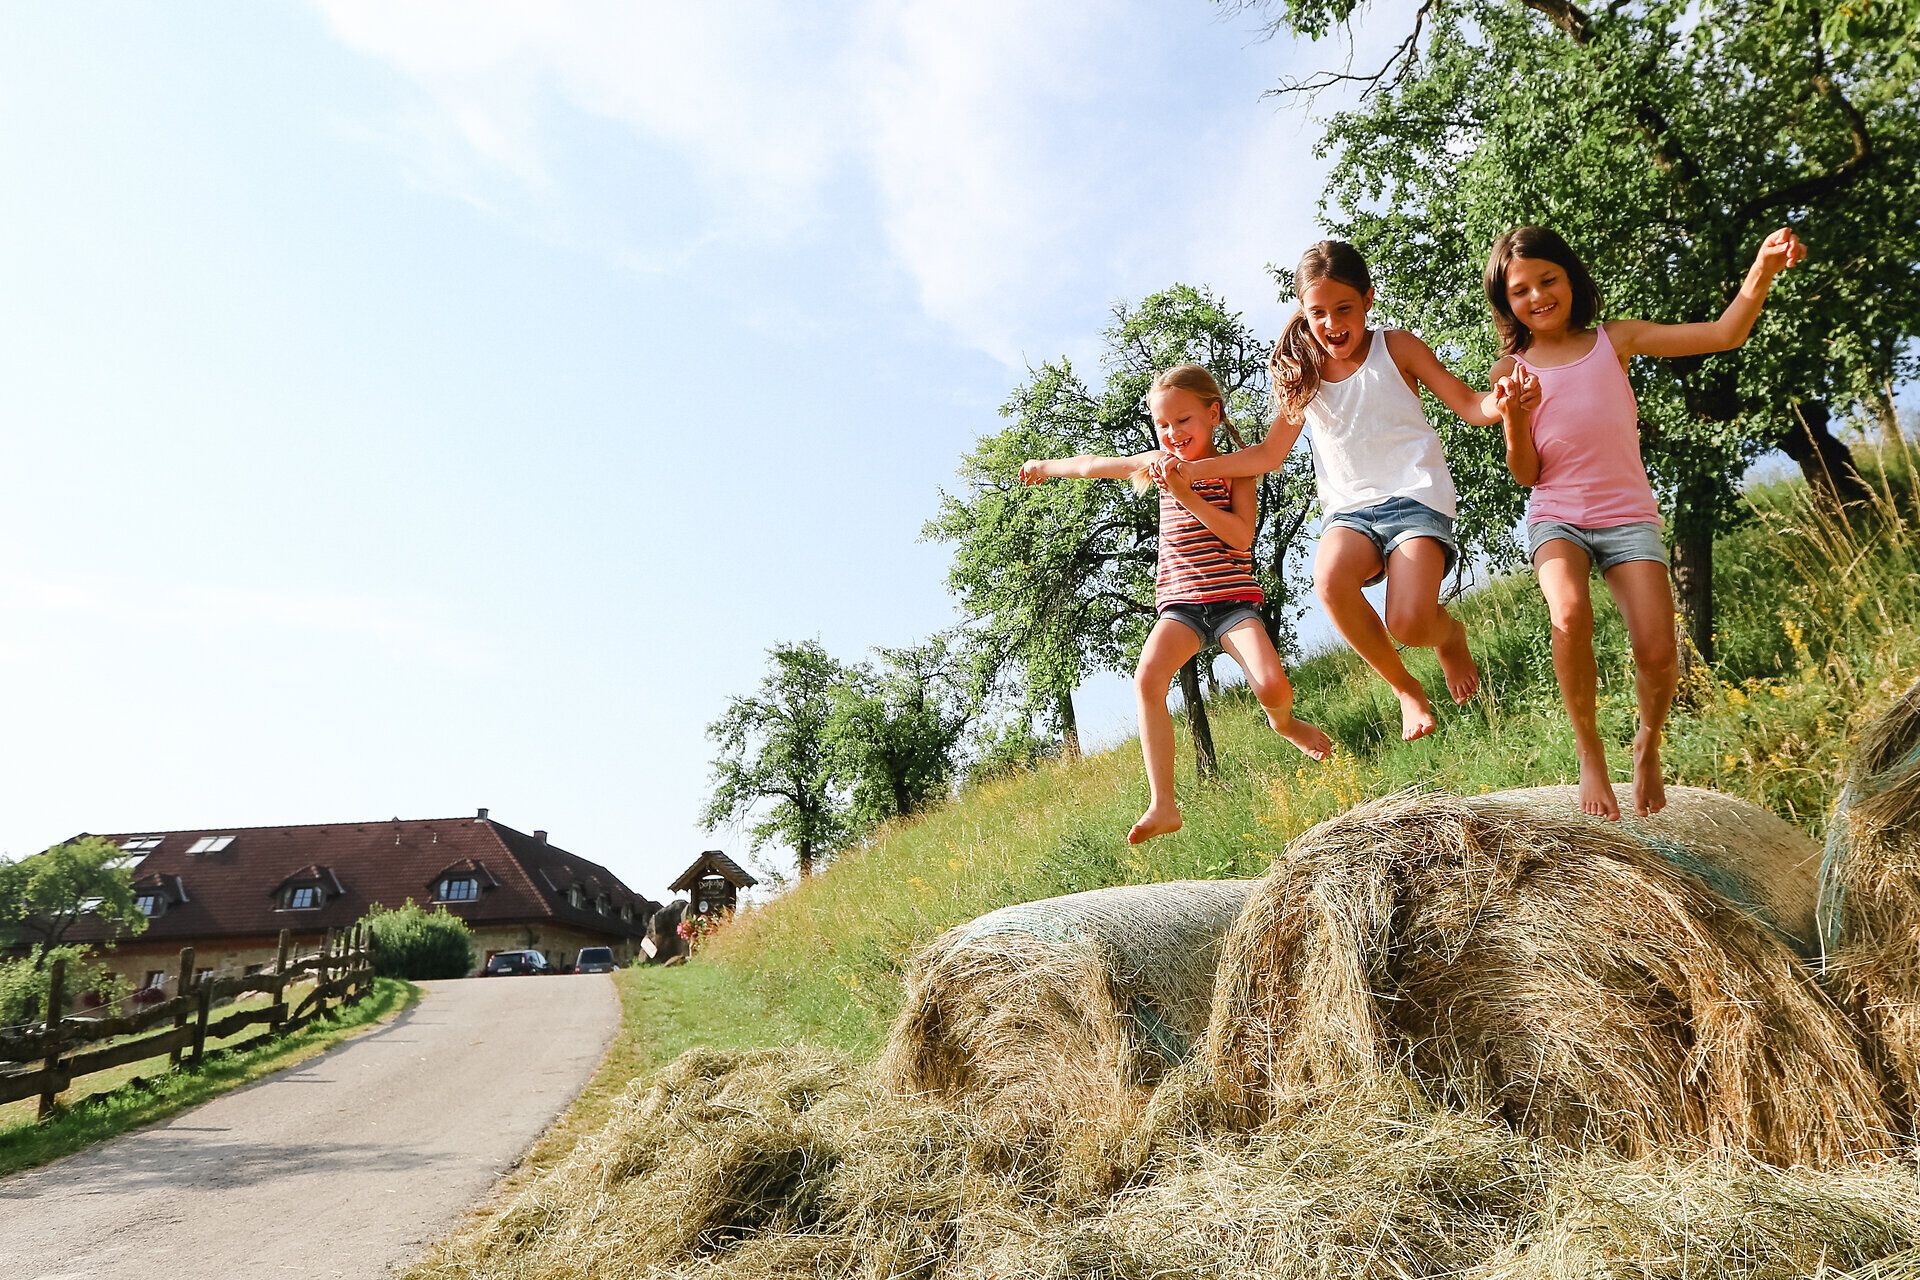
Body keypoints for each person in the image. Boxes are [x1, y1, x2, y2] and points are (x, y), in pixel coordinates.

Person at [1486, 223, 1806, 820]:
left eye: (1547, 280)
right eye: (1520, 291)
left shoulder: (1617, 339)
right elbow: (1526, 474)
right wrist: (1512, 417)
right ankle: (1589, 751)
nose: (1538, 297)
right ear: (1508, 304)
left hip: (1626, 514)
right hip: (1558, 514)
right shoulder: (1514, 368)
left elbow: (1724, 333)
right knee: (1569, 613)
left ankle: (1647, 745)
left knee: (1659, 653)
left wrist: (1761, 269)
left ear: (1570, 279)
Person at [1166, 240, 1529, 741]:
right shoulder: (1304, 378)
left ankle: (1449, 636)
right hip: (1350, 512)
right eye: (1318, 313)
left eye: (1344, 309)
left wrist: (1502, 402)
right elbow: (1268, 455)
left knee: (1408, 623)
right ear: (1303, 313)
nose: (1332, 323)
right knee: (1330, 580)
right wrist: (1199, 471)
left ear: (1368, 301)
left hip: (1416, 499)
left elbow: (1470, 405)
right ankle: (1405, 689)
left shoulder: (1397, 348)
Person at [1020, 364, 1331, 844]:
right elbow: (1092, 464)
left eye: (1182, 421)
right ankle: (1162, 803)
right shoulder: (1154, 464)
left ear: (1212, 414)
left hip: (1232, 602)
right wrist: (1045, 468)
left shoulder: (1237, 468)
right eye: (1162, 425)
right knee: (1147, 679)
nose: (1172, 433)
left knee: (1271, 685)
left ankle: (1285, 723)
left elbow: (1240, 538)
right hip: (1181, 606)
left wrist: (1186, 494)